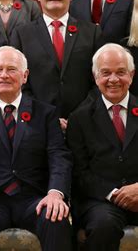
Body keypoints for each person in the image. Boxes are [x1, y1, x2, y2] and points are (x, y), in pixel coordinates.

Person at [0, 46, 73, 251]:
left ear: (25, 76)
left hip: (34, 199)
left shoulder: (45, 114)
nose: (4, 75)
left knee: (55, 216)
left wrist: (55, 193)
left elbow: (58, 156)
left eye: (11, 69)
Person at [10, 0, 102, 131]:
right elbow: (18, 83)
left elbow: (100, 79)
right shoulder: (22, 35)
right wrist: (46, 116)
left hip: (86, 124)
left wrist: (79, 115)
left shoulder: (92, 32)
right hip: (37, 125)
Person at [66, 44, 138, 251]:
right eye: (106, 73)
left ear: (131, 75)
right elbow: (79, 173)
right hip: (101, 201)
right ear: (95, 77)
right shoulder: (79, 118)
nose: (113, 79)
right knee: (103, 225)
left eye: (121, 72)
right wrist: (114, 194)